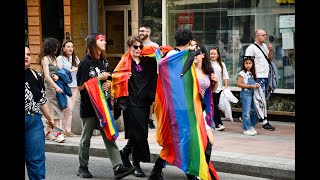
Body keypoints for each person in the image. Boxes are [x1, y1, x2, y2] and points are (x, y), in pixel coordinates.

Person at [149, 29, 219, 180]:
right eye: (192, 42)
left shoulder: (181, 56)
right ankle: (192, 173)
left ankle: (160, 170)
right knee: (185, 140)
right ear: (189, 41)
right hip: (181, 109)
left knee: (184, 141)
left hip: (189, 107)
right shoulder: (178, 56)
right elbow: (163, 67)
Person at [76, 33, 135, 179]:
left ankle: (118, 167)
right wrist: (98, 79)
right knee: (86, 139)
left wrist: (108, 83)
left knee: (109, 137)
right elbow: (80, 87)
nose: (104, 42)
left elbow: (108, 80)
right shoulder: (85, 63)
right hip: (89, 107)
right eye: (101, 40)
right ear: (93, 44)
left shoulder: (104, 61)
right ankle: (82, 167)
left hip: (103, 107)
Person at [116, 36, 158, 177]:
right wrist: (123, 77)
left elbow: (155, 74)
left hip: (144, 102)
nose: (138, 49)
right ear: (129, 48)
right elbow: (114, 77)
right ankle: (136, 164)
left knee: (140, 132)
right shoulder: (124, 62)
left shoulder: (148, 61)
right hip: (130, 102)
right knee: (138, 133)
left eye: (140, 47)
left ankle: (125, 152)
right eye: (135, 47)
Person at [25, 45, 55, 180]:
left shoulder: (35, 75)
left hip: (34, 123)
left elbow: (41, 100)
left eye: (28, 54)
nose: (26, 57)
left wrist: (50, 118)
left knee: (36, 161)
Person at [37, 37, 67, 143]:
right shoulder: (45, 59)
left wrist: (58, 76)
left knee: (57, 110)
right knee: (54, 111)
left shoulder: (54, 58)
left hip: (56, 86)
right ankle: (57, 134)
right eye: (55, 47)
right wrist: (56, 86)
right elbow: (46, 76)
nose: (57, 49)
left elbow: (59, 71)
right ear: (50, 47)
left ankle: (48, 132)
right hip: (49, 88)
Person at [245, 29, 275, 131]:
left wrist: (270, 50)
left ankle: (250, 120)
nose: (265, 37)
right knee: (260, 100)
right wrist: (251, 77)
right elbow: (247, 63)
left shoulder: (264, 46)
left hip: (265, 76)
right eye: (263, 35)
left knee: (257, 100)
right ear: (257, 36)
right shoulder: (251, 48)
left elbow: (270, 59)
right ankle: (264, 121)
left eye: (266, 35)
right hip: (257, 77)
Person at [57, 39, 80, 137]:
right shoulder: (60, 58)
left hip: (74, 86)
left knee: (71, 109)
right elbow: (61, 71)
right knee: (67, 107)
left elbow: (80, 70)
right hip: (65, 86)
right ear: (63, 48)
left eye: (71, 46)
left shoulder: (76, 59)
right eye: (68, 46)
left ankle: (68, 130)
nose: (70, 48)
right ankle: (62, 129)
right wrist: (73, 69)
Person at [139, 24, 159, 129]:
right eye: (140, 31)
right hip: (139, 75)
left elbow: (159, 61)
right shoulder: (137, 45)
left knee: (151, 98)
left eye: (143, 31)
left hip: (151, 75)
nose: (141, 33)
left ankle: (150, 119)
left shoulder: (154, 46)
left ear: (149, 32)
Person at [237, 56, 260, 136]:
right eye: (246, 63)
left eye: (250, 63)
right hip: (246, 93)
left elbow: (255, 82)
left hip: (254, 93)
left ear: (252, 64)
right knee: (246, 112)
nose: (248, 65)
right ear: (244, 64)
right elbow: (239, 84)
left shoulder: (253, 73)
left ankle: (251, 126)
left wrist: (256, 85)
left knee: (255, 111)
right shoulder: (242, 73)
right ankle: (246, 129)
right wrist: (250, 86)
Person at [209, 47, 229, 131]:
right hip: (211, 88)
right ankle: (218, 124)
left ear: (218, 55)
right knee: (214, 106)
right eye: (211, 54)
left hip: (220, 88)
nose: (213, 55)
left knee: (217, 106)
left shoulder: (222, 64)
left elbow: (225, 76)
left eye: (214, 54)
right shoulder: (207, 64)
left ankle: (214, 123)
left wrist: (226, 86)